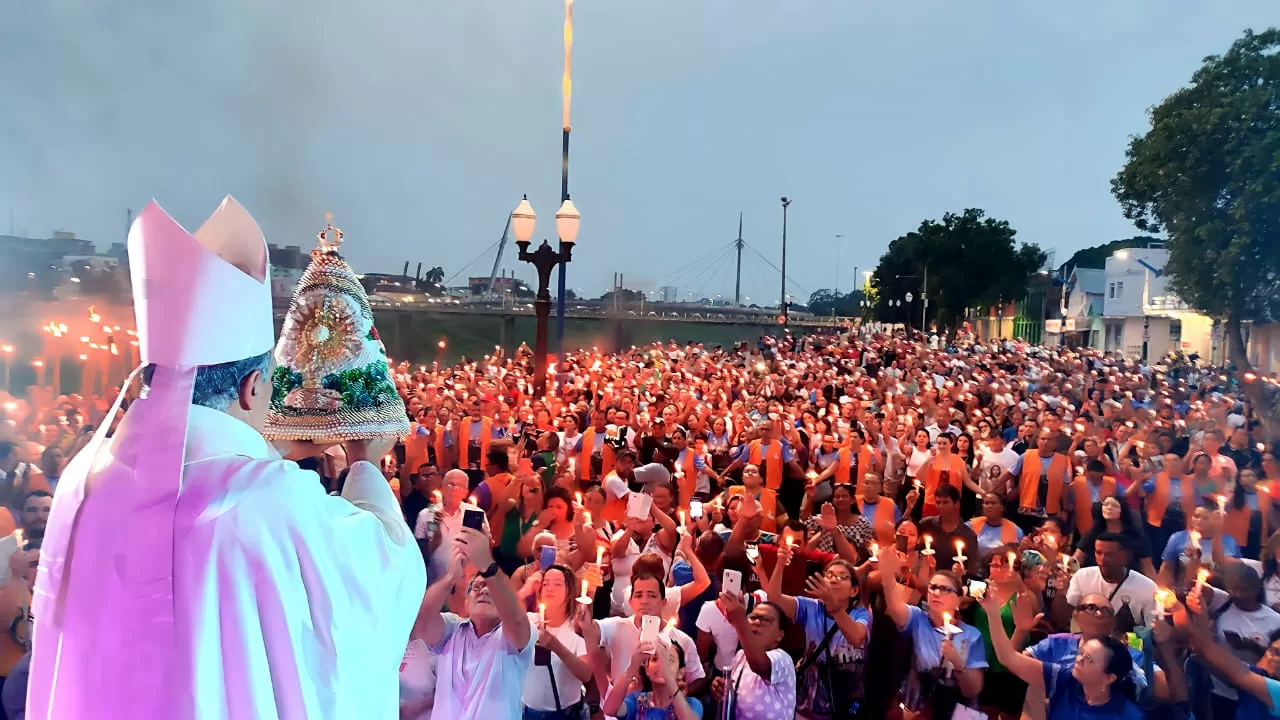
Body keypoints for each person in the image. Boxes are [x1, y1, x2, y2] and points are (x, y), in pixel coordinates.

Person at [27, 199, 426, 718]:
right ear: (252, 386)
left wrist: (269, 451)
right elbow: (386, 579)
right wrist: (363, 462)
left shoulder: (83, 479)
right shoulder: (271, 499)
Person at [421, 526, 535, 718]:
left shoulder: (516, 636)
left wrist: (487, 565)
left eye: (490, 588)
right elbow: (422, 621)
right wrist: (451, 577)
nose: (484, 590)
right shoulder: (452, 629)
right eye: (477, 586)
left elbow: (515, 619)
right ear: (465, 602)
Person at [978, 587, 1142, 720]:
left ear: (1109, 677)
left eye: (1089, 659)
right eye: (1081, 653)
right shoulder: (1065, 678)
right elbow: (1009, 658)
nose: (1079, 660)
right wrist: (993, 614)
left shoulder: (1127, 714)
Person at [710, 592, 796, 720]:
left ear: (780, 635)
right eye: (752, 617)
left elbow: (760, 666)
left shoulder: (783, 659)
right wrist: (721, 689)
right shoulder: (740, 656)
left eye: (766, 620)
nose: (756, 622)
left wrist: (739, 621)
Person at [1066, 533, 1158, 632]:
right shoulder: (1082, 577)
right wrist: (1061, 590)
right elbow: (1065, 614)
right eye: (1098, 553)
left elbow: (1152, 630)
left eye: (1109, 554)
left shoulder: (1147, 587)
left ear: (1126, 557)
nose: (1102, 559)